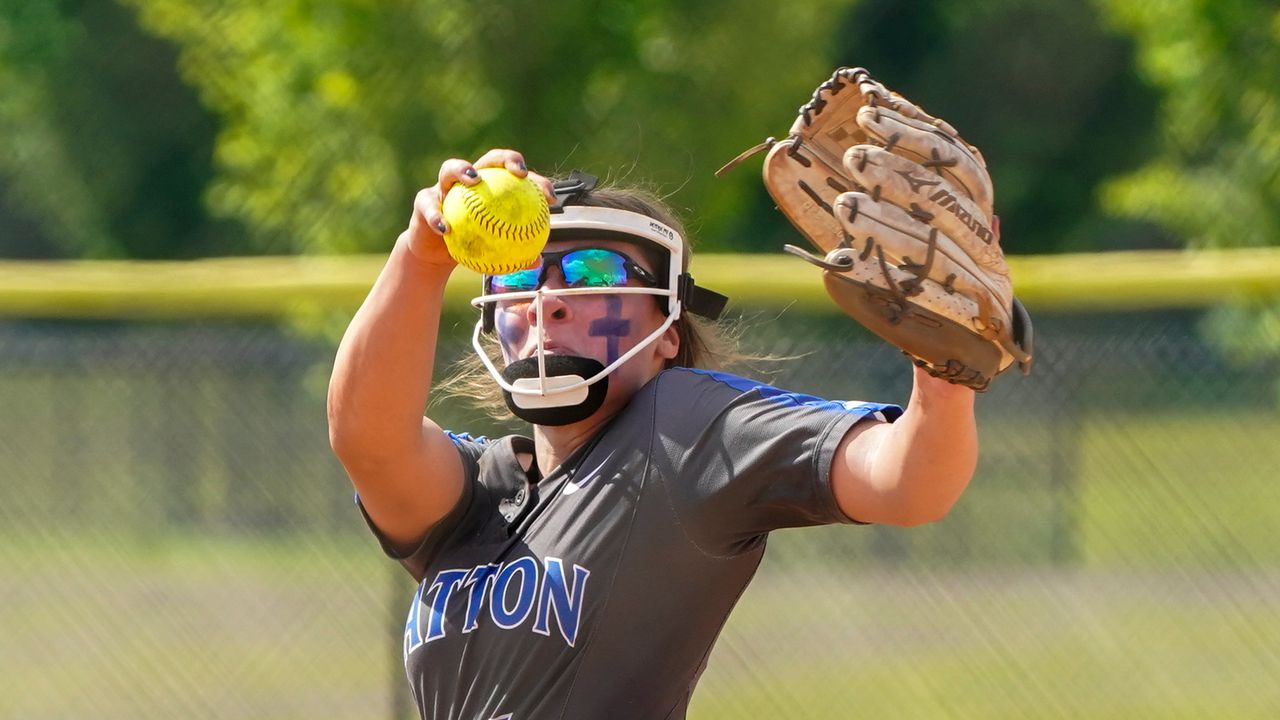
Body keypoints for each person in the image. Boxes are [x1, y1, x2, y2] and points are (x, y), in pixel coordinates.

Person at [327, 148, 980, 720]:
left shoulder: (683, 431)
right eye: (521, 278)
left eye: (592, 275)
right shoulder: (478, 486)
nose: (545, 299)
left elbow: (910, 483)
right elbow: (364, 437)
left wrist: (942, 369)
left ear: (669, 329)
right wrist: (420, 255)